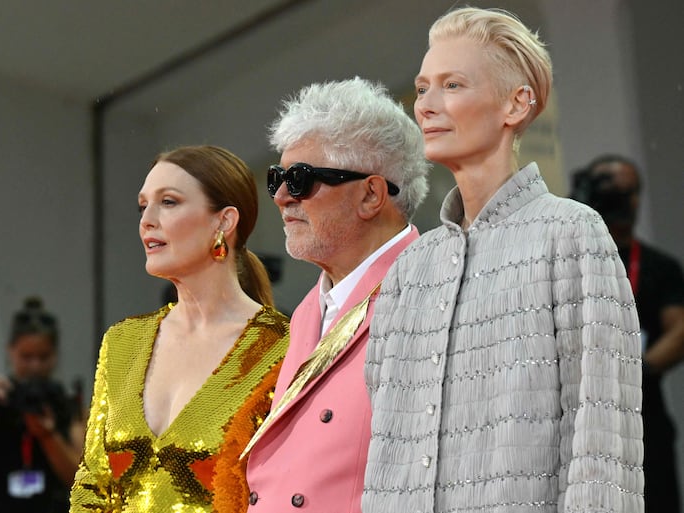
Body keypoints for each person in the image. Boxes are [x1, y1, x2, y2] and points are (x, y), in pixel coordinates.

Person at [364, 7, 644, 513]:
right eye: (422, 87)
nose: (425, 105)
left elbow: (604, 430)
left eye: (452, 85)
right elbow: (385, 452)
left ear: (516, 104)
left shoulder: (572, 233)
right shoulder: (409, 270)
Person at [242, 77, 430, 512]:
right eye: (277, 179)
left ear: (370, 194)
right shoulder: (308, 310)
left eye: (302, 179)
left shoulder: (432, 289)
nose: (283, 197)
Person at [69, 145, 289, 513]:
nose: (147, 221)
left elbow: (286, 491)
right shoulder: (122, 341)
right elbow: (92, 487)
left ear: (224, 222)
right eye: (143, 206)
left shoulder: (282, 345)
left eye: (168, 202)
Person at [572, 154, 684, 512]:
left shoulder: (657, 267)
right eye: (610, 188)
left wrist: (638, 369)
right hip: (579, 416)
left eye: (628, 190)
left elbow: (680, 330)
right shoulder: (569, 260)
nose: (622, 198)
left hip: (641, 414)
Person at [0, 297, 85, 513]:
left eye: (43, 357)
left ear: (55, 355)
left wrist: (48, 435)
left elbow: (80, 478)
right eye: (26, 357)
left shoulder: (64, 401)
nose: (35, 365)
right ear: (10, 351)